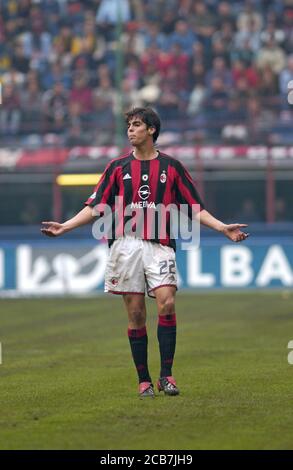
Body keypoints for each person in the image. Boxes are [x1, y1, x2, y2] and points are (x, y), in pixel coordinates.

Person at [41, 107, 249, 399]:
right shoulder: (116, 168)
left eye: (136, 125)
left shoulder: (172, 167)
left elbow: (194, 207)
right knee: (136, 314)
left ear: (151, 130)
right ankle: (144, 380)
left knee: (166, 303)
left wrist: (222, 227)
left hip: (160, 245)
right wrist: (65, 227)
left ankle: (167, 375)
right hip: (125, 246)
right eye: (129, 125)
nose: (130, 130)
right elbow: (95, 206)